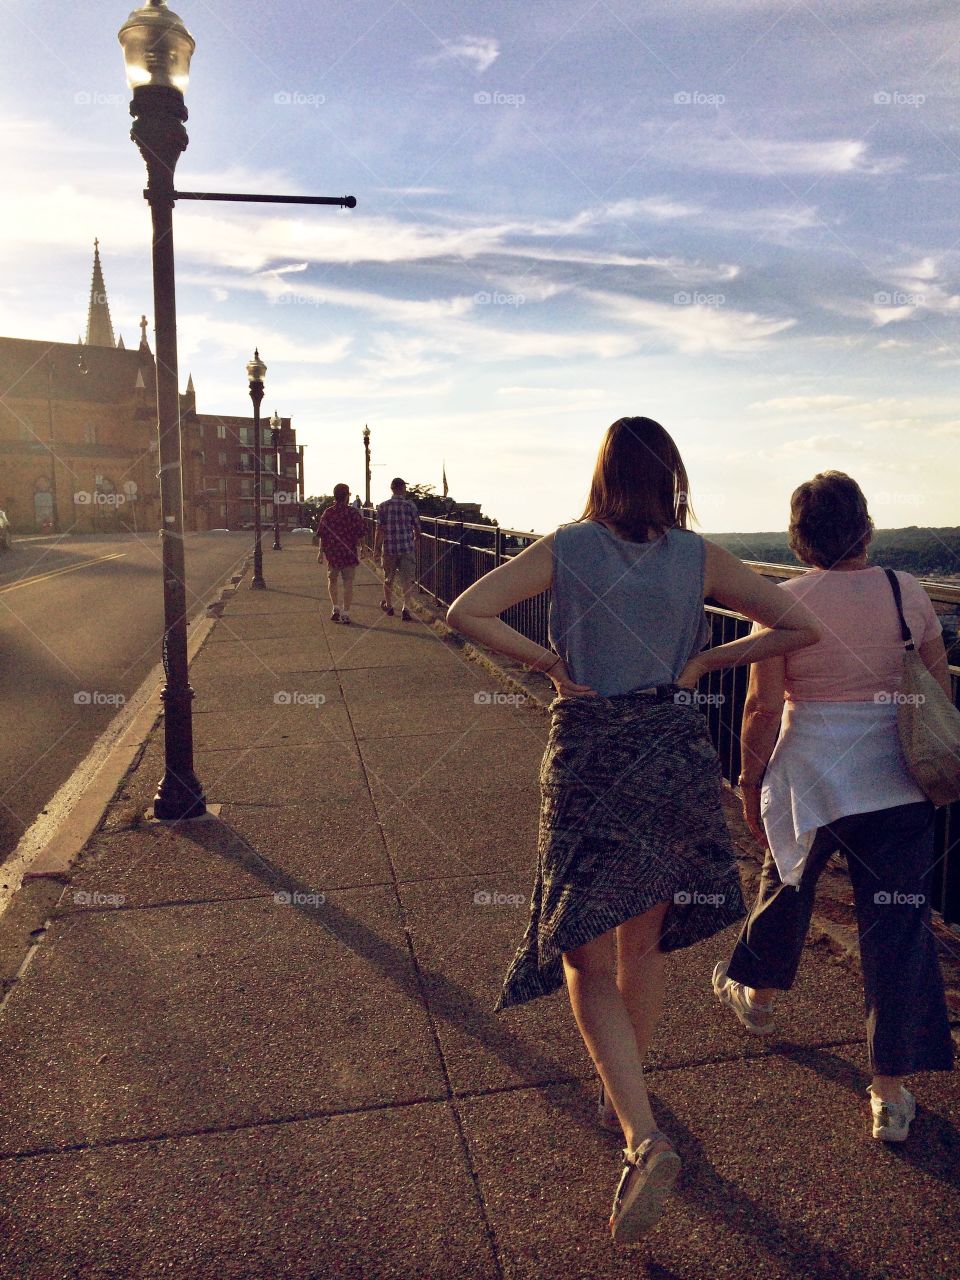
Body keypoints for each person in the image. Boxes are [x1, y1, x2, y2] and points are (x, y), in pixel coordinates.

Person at [446, 417, 821, 1244]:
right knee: (639, 948)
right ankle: (634, 1104)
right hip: (673, 750)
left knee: (581, 950)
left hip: (589, 755)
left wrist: (547, 666)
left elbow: (467, 610)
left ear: (603, 473)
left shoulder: (567, 546)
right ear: (670, 478)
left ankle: (641, 1135)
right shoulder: (698, 557)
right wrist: (698, 665)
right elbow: (800, 626)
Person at [712, 471, 954, 1142]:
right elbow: (935, 691)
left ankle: (756, 998)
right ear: (866, 527)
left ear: (799, 539)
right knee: (897, 931)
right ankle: (890, 1098)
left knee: (786, 888)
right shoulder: (906, 591)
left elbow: (762, 707)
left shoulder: (782, 602)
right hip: (898, 783)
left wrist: (746, 781)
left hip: (810, 781)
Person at [316, 483, 366, 624]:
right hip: (349, 553)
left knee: (332, 580)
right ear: (346, 497)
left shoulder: (328, 513)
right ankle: (345, 613)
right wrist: (363, 548)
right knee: (348, 583)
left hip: (333, 553)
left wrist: (320, 552)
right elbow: (361, 532)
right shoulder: (353, 513)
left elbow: (322, 534)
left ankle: (335, 607)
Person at [373, 477, 421, 621]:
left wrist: (376, 548)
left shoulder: (383, 506)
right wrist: (415, 539)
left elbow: (379, 530)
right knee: (407, 579)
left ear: (392, 489)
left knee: (388, 578)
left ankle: (389, 605)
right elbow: (417, 527)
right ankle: (406, 608)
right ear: (403, 489)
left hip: (389, 548)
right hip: (406, 547)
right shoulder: (410, 505)